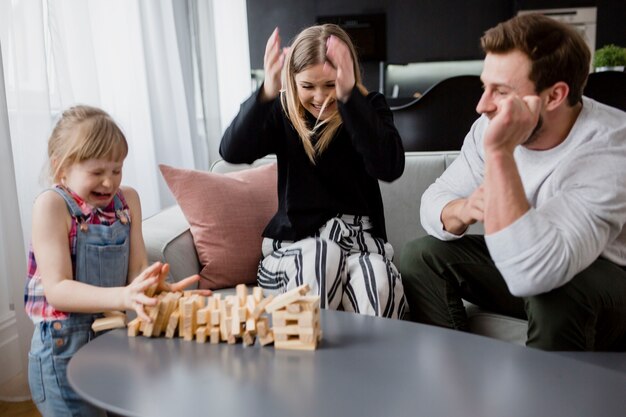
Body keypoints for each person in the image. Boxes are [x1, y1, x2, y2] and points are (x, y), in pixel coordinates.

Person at [399, 13, 626, 351]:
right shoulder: (487, 126)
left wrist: (500, 153)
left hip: (602, 282)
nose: (481, 106)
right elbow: (435, 199)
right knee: (420, 256)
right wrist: (462, 209)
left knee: (554, 295)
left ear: (553, 96)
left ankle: (544, 400)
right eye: (484, 86)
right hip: (529, 269)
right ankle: (458, 379)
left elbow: (536, 274)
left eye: (500, 91)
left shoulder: (610, 148)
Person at [25, 105, 205, 416]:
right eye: (96, 172)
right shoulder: (52, 206)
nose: (109, 183)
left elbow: (135, 269)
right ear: (61, 168)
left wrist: (152, 286)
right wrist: (123, 296)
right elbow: (57, 290)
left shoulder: (127, 201)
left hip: (112, 340)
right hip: (62, 350)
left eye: (117, 169)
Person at [220, 24, 406, 318]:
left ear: (347, 75)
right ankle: (306, 356)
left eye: (330, 84)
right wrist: (267, 92)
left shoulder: (369, 107)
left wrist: (349, 99)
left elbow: (390, 166)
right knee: (323, 254)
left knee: (376, 280)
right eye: (308, 86)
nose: (320, 98)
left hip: (361, 247)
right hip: (297, 248)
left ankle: (372, 363)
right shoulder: (283, 111)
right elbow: (232, 151)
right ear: (292, 82)